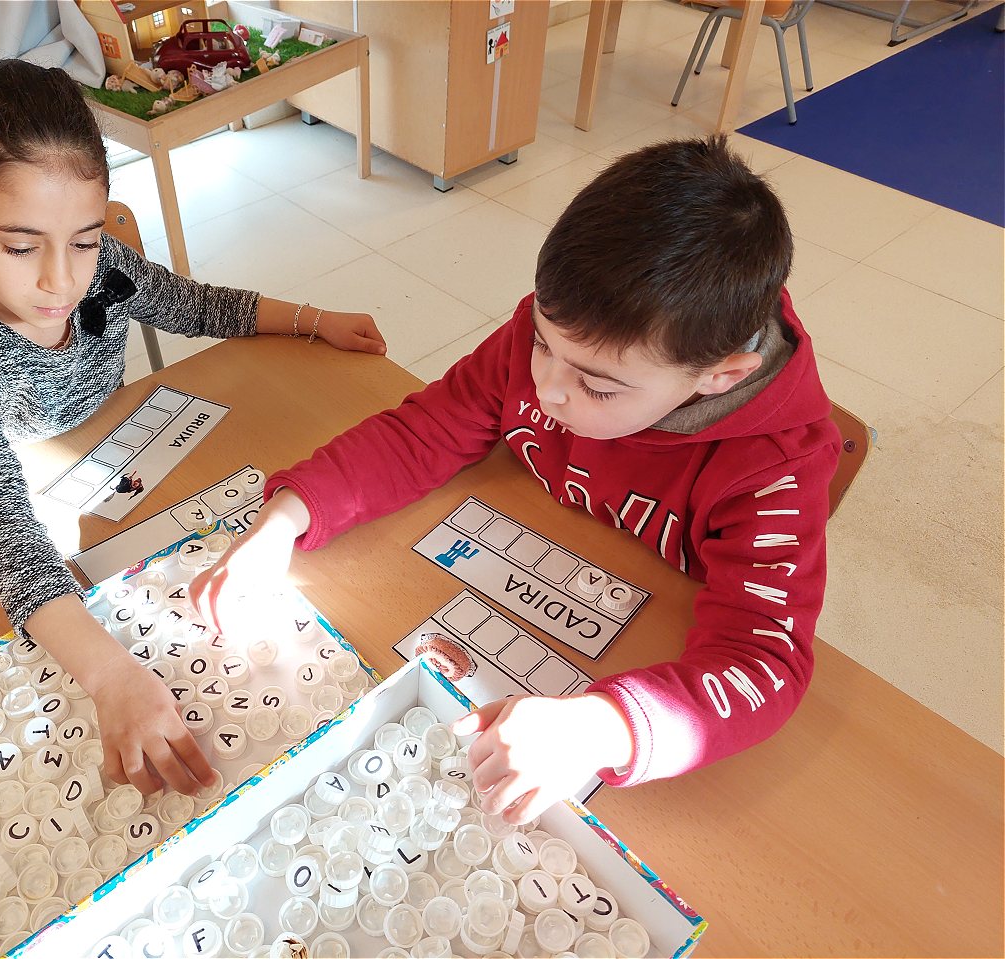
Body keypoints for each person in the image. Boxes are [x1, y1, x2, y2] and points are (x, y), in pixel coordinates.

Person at [191, 136, 841, 821]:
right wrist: (287, 518)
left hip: (633, 646)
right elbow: (423, 432)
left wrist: (601, 727)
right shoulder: (566, 340)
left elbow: (762, 660)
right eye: (539, 341)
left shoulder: (776, 472)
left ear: (720, 376)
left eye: (597, 386)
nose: (547, 387)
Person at [0, 59, 386, 799]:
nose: (62, 280)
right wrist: (109, 675)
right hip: (38, 480)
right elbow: (2, 526)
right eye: (21, 246)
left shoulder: (102, 270)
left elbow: (193, 305)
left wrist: (312, 320)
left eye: (85, 240)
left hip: (124, 451)